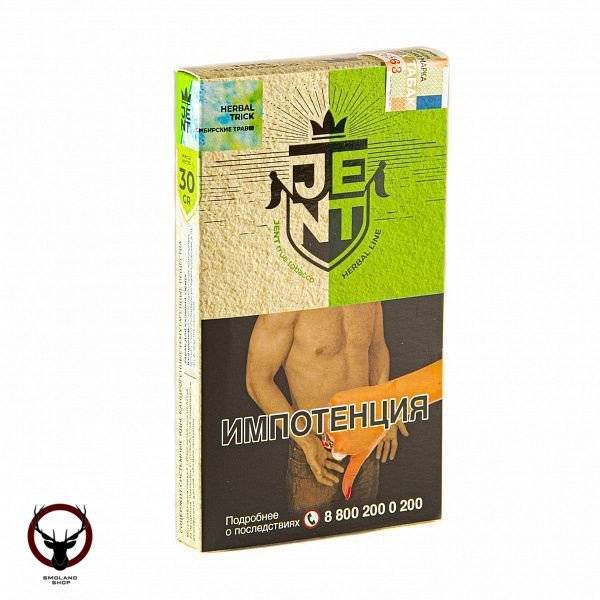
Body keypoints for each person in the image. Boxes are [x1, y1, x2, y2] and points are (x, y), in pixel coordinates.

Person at [246, 302, 407, 515]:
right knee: (310, 534)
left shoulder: (367, 294)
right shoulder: (287, 304)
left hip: (366, 445)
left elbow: (376, 348)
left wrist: (384, 406)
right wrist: (306, 441)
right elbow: (257, 380)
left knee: (366, 530)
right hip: (316, 453)